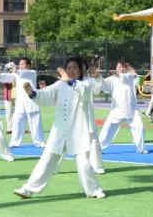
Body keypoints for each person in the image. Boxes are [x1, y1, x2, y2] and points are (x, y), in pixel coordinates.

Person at [13, 57, 106, 199]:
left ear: (80, 70)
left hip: (78, 131)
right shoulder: (60, 85)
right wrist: (33, 93)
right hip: (59, 130)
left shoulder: (84, 84)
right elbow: (46, 95)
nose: (71, 71)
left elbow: (85, 94)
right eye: (68, 68)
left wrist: (69, 81)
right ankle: (28, 189)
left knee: (84, 164)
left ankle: (94, 190)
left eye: (74, 68)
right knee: (46, 160)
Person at [98, 60, 148, 154]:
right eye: (119, 67)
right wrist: (97, 77)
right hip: (117, 110)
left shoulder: (131, 77)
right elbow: (103, 84)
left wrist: (131, 69)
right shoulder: (112, 79)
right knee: (107, 130)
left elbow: (140, 81)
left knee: (140, 127)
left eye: (123, 67)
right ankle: (99, 148)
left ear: (126, 68)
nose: (121, 69)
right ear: (116, 68)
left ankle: (141, 149)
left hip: (132, 110)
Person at [9, 57, 45, 148]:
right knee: (17, 123)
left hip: (32, 101)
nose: (20, 65)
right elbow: (8, 77)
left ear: (28, 65)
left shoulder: (32, 72)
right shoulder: (17, 73)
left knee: (35, 124)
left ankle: (40, 142)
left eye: (22, 64)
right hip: (20, 103)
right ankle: (15, 143)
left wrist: (16, 70)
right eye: (19, 64)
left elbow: (22, 73)